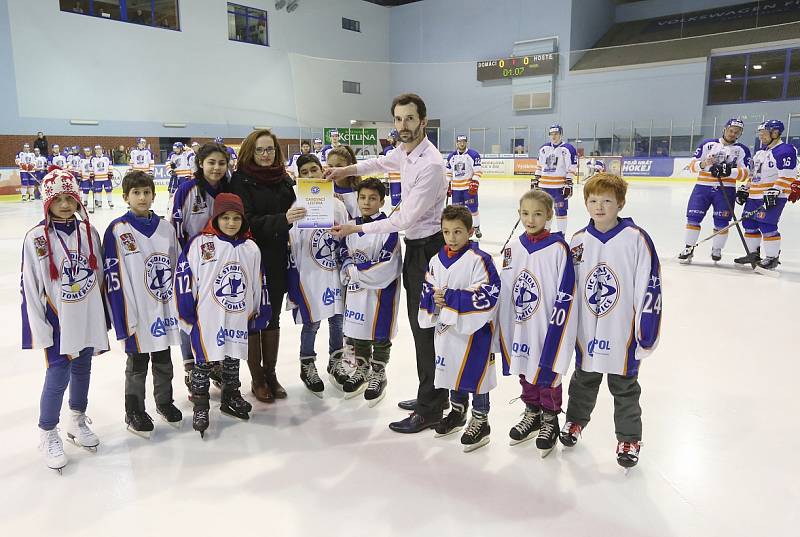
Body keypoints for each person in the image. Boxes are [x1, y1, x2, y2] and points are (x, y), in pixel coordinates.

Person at [329, 93, 448, 434]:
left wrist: (357, 227)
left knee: (425, 328)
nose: (403, 126)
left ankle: (430, 408)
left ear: (422, 121)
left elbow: (404, 219)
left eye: (409, 119)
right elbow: (378, 164)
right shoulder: (407, 152)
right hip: (418, 248)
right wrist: (344, 169)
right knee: (420, 327)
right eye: (398, 119)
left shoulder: (431, 165)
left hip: (429, 249)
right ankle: (431, 395)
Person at [560, 173, 662, 469]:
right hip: (586, 329)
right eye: (593, 201)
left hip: (622, 331)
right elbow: (569, 286)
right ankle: (575, 422)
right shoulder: (578, 240)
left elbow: (649, 284)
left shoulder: (636, 239)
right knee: (583, 379)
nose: (599, 207)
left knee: (625, 385)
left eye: (607, 201)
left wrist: (646, 331)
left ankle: (629, 438)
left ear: (620, 203)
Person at [21, 168, 108, 472]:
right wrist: (39, 328)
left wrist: (101, 316)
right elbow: (31, 286)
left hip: (86, 313)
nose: (65, 204)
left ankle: (77, 419)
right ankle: (47, 432)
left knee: (83, 366)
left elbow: (98, 276)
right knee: (58, 374)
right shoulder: (36, 237)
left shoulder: (89, 231)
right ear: (47, 201)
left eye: (69, 197)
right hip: (57, 318)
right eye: (58, 199)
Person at [176, 193, 271, 437]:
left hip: (238, 314)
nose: (231, 223)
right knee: (204, 360)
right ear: (216, 218)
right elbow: (185, 279)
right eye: (225, 217)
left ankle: (231, 395)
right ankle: (201, 404)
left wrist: (260, 310)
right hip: (206, 315)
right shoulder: (200, 244)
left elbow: (259, 282)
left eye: (236, 218)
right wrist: (187, 311)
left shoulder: (251, 247)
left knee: (232, 355)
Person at [496, 190, 577, 457]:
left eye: (538, 214)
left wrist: (558, 329)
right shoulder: (513, 248)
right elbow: (506, 288)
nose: (530, 219)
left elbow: (566, 292)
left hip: (547, 325)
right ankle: (531, 411)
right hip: (521, 324)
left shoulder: (558, 248)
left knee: (547, 371)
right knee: (524, 366)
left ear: (550, 216)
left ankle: (550, 419)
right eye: (525, 213)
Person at [103, 171, 182, 438]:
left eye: (146, 192)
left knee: (163, 360)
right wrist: (121, 316)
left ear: (153, 194)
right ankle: (134, 410)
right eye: (136, 193)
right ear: (125, 197)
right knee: (137, 365)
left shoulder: (166, 228)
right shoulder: (117, 230)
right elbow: (112, 277)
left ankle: (164, 402)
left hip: (162, 309)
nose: (142, 197)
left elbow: (177, 267)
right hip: (135, 311)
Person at [418, 205, 500, 452]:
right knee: (451, 369)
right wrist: (434, 299)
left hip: (474, 331)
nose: (451, 238)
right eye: (446, 232)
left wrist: (451, 297)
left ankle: (481, 419)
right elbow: (428, 287)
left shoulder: (480, 260)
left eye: (458, 232)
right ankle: (458, 411)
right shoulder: (436, 260)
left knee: (476, 375)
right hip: (446, 329)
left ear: (470, 231)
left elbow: (489, 293)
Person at [229, 129, 302, 403]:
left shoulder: (283, 179)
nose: (265, 154)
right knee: (252, 318)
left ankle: (270, 373)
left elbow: (299, 210)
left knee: (272, 317)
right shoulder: (240, 180)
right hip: (251, 259)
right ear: (250, 151)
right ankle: (257, 378)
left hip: (277, 258)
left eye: (269, 149)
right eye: (260, 150)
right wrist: (282, 219)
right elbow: (245, 220)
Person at [285, 154, 349, 397]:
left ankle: (336, 361)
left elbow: (346, 237)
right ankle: (307, 364)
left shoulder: (338, 206)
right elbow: (291, 243)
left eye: (315, 170)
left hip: (333, 272)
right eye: (305, 172)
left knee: (337, 319)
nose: (311, 176)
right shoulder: (295, 207)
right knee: (311, 322)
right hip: (309, 275)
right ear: (298, 176)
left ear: (323, 172)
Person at [170, 143, 231, 396]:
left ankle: (213, 362)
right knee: (190, 312)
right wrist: (183, 263)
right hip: (192, 264)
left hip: (221, 263)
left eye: (221, 163)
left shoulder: (230, 189)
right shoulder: (186, 189)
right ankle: (190, 365)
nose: (216, 168)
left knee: (216, 312)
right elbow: (175, 228)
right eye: (211, 163)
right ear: (201, 164)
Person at [338, 178, 402, 406]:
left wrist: (354, 272)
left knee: (380, 334)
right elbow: (342, 252)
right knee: (358, 331)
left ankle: (379, 373)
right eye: (363, 198)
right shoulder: (350, 226)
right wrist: (347, 265)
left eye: (373, 198)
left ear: (382, 201)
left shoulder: (388, 228)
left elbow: (388, 263)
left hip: (381, 293)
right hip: (356, 292)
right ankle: (362, 368)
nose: (367, 202)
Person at [678, 118, 751, 264]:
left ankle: (717, 249)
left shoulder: (742, 150)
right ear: (725, 129)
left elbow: (746, 173)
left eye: (736, 132)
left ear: (740, 134)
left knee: (722, 221)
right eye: (731, 130)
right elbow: (692, 166)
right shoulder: (708, 144)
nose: (732, 134)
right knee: (693, 218)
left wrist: (727, 171)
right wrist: (704, 163)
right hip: (702, 188)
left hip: (726, 190)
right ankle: (688, 248)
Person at [734, 120, 799, 271]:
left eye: (764, 133)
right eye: (760, 134)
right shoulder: (760, 153)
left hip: (772, 196)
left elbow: (789, 175)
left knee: (767, 225)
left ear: (775, 133)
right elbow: (754, 175)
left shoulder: (785, 150)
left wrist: (775, 191)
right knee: (749, 225)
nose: (761, 136)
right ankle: (753, 255)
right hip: (754, 196)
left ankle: (772, 258)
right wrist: (746, 188)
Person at [534, 125, 578, 235]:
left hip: (559, 187)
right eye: (552, 134)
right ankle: (545, 234)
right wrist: (536, 180)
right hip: (544, 186)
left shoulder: (568, 148)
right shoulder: (544, 148)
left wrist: (568, 183)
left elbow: (572, 167)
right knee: (545, 211)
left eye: (556, 134)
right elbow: (539, 166)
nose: (554, 136)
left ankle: (561, 235)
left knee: (561, 212)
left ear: (561, 134)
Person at [446, 134, 483, 238]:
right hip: (456, 190)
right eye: (459, 142)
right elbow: (448, 172)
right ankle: (460, 228)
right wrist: (447, 184)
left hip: (468, 189)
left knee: (473, 208)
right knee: (457, 211)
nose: (462, 144)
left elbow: (478, 171)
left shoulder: (473, 154)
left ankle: (476, 227)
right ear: (456, 143)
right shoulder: (451, 157)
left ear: (466, 143)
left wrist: (475, 182)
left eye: (463, 142)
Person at [326, 145, 361, 219]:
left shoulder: (360, 193)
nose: (333, 170)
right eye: (330, 166)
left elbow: (361, 225)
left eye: (339, 167)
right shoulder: (324, 191)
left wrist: (341, 206)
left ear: (350, 168)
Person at [382, 129, 402, 209]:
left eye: (390, 137)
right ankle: (396, 220)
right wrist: (386, 181)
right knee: (395, 203)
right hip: (394, 181)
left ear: (396, 138)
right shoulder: (387, 150)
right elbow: (385, 165)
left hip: (407, 180)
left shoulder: (407, 149)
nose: (388, 139)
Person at [78, 147, 95, 212]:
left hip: (92, 178)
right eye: (86, 151)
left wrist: (93, 175)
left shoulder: (94, 159)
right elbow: (80, 168)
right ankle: (85, 201)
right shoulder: (82, 160)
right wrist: (79, 175)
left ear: (91, 152)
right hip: (85, 178)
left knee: (95, 190)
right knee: (85, 190)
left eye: (88, 151)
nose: (87, 152)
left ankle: (97, 201)